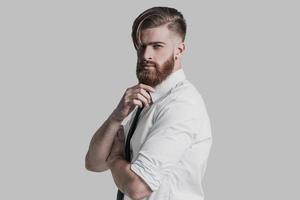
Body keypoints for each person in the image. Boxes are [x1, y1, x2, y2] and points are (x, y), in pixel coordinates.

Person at [85, 6, 212, 200]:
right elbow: (94, 162)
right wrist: (117, 116)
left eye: (157, 46)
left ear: (179, 50)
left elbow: (137, 188)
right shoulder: (147, 99)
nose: (146, 56)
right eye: (141, 46)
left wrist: (115, 158)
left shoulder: (181, 105)